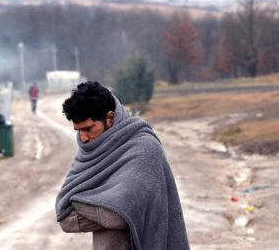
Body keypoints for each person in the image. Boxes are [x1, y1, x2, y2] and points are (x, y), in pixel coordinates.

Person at [55, 81, 190, 250]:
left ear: (110, 117)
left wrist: (77, 201)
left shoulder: (145, 148)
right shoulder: (89, 151)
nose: (83, 139)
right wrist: (110, 208)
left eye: (88, 129)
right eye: (78, 130)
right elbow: (65, 218)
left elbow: (117, 217)